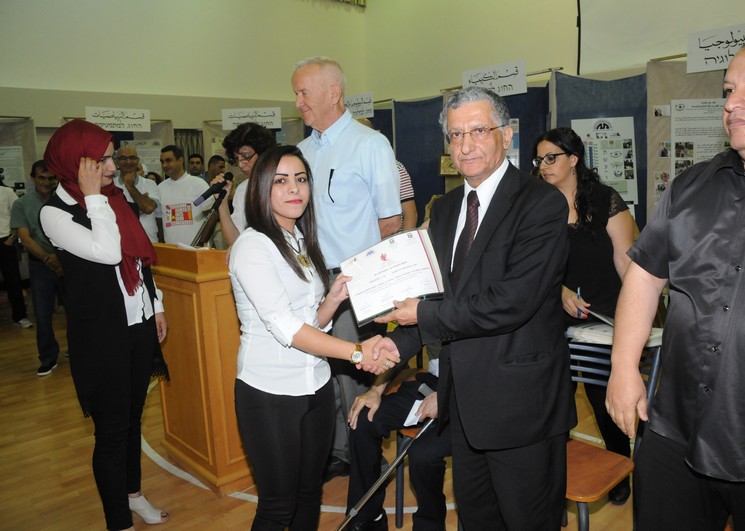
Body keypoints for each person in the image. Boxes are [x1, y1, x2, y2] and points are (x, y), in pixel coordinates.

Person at [606, 34, 745, 530]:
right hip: (675, 430)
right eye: (728, 90)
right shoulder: (691, 188)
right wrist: (623, 367)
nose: (733, 102)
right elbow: (644, 279)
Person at [370, 87, 575, 529]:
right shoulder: (445, 210)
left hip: (522, 406)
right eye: (456, 135)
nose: (465, 145)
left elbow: (512, 302)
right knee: (477, 521)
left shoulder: (541, 203)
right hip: (463, 405)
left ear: (506, 135)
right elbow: (435, 297)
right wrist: (396, 345)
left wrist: (421, 316)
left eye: (478, 131)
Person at [228, 144, 399, 530]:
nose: (294, 189)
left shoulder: (299, 240)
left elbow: (309, 321)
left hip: (317, 387)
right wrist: (357, 352)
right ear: (260, 188)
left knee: (309, 493)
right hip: (270, 393)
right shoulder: (252, 246)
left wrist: (332, 300)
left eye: (301, 179)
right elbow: (286, 328)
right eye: (281, 181)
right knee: (277, 505)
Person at [40, 119, 170, 531]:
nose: (113, 167)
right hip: (102, 337)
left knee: (133, 420)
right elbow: (109, 251)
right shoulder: (54, 212)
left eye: (111, 158)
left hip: (139, 322)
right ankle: (119, 522)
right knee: (112, 432)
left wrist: (156, 305)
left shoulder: (114, 198)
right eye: (103, 160)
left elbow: (138, 261)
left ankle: (133, 495)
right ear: (76, 163)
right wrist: (95, 197)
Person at [292, 57, 402, 479]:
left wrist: (367, 278)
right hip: (310, 278)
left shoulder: (370, 144)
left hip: (355, 279)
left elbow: (391, 221)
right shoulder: (301, 153)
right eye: (296, 94)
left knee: (356, 371)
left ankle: (365, 457)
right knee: (323, 369)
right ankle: (340, 451)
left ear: (333, 93)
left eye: (304, 93)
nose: (298, 103)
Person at [534, 126, 636, 504]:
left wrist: (633, 317)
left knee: (603, 399)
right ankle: (559, 473)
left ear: (573, 159)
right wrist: (559, 291)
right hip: (553, 314)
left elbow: (626, 264)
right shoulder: (537, 205)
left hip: (602, 315)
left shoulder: (605, 199)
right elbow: (532, 266)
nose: (543, 166)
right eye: (539, 159)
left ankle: (618, 469)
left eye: (551, 158)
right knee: (555, 400)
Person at [346, 347, 450, 531]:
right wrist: (376, 390)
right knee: (363, 419)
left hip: (473, 390)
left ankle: (430, 525)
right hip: (434, 383)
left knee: (422, 454)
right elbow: (401, 344)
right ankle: (369, 517)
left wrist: (445, 395)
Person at [10, 160, 65, 375]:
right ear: (33, 178)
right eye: (41, 178)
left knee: (76, 311)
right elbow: (25, 238)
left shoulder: (64, 200)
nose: (46, 182)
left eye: (51, 178)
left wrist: (60, 260)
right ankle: (48, 357)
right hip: (40, 265)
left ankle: (78, 350)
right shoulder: (21, 204)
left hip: (67, 263)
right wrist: (50, 260)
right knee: (42, 315)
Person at [210, 122, 277, 247]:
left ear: (263, 153)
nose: (241, 164)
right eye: (237, 159)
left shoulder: (281, 184)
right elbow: (234, 241)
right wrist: (222, 203)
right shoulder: (243, 189)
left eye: (246, 157)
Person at [157, 144, 212, 245]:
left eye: (168, 160)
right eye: (162, 162)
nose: (164, 165)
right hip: (171, 249)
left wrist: (201, 242)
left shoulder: (198, 184)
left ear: (180, 160)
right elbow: (159, 219)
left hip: (196, 248)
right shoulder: (160, 188)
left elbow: (212, 215)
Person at [0, 171, 32, 329]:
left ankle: (20, 316)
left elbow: (18, 215)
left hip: (5, 240)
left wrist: (11, 238)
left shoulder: (7, 192)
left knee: (13, 280)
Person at [115, 146, 160, 243]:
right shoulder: (111, 185)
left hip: (149, 243)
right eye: (123, 158)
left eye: (132, 158)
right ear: (117, 162)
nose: (128, 162)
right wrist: (141, 201)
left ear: (138, 160)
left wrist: (130, 186)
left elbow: (148, 208)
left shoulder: (150, 184)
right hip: (122, 244)